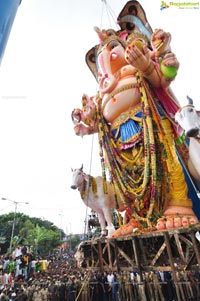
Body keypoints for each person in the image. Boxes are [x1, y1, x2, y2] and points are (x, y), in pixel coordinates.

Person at [72, 0, 199, 232]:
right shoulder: (105, 86)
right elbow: (98, 119)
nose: (105, 56)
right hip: (120, 140)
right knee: (130, 177)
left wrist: (150, 64)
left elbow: (164, 76)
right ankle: (136, 217)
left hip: (150, 125)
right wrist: (86, 124)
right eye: (101, 53)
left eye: (111, 47)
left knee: (164, 161)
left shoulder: (135, 65)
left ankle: (178, 205)